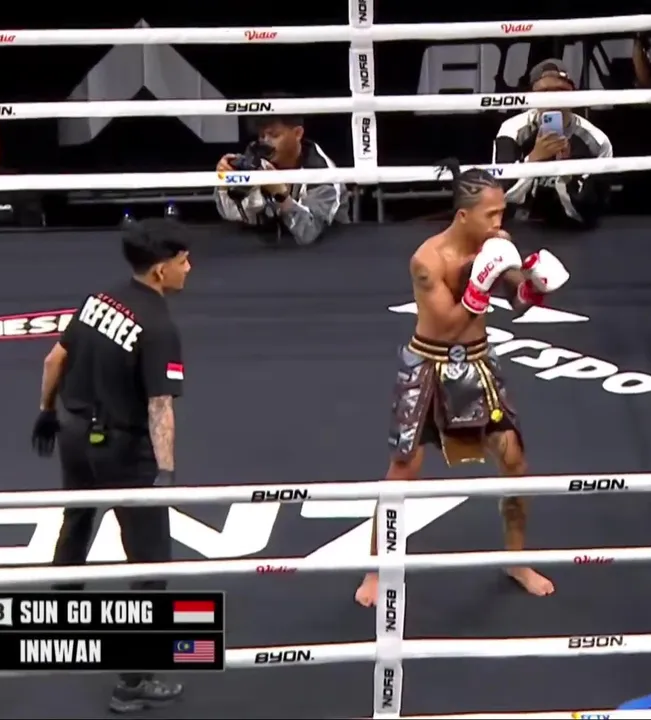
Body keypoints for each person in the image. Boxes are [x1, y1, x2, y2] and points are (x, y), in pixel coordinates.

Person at [354, 159, 570, 606]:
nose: (500, 222)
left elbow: (515, 297)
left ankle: (516, 559)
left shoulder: (497, 242)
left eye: (502, 212)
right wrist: (480, 282)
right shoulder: (427, 261)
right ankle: (376, 570)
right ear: (463, 215)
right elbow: (448, 325)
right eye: (491, 214)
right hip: (428, 364)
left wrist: (533, 284)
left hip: (477, 362)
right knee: (403, 468)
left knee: (514, 460)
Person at [30, 218, 189, 713]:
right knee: (150, 563)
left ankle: (58, 617)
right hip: (123, 449)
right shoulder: (159, 327)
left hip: (74, 434)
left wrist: (46, 412)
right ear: (160, 270)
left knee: (77, 520)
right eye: (183, 260)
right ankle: (132, 682)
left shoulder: (99, 299)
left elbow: (53, 360)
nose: (189, 268)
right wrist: (165, 473)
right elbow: (160, 406)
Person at [491, 59, 611, 228]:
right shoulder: (512, 130)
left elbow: (592, 211)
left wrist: (566, 172)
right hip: (520, 224)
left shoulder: (596, 141)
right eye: (544, 92)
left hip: (573, 228)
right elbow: (498, 196)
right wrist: (533, 160)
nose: (553, 99)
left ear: (573, 94)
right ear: (532, 96)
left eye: (560, 91)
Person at [214, 113, 345, 245]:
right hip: (270, 246)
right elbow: (232, 213)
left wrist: (281, 195)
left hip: (327, 249)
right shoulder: (256, 154)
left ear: (297, 133)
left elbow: (309, 232)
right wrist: (225, 183)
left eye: (274, 135)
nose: (266, 142)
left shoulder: (322, 172)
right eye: (262, 136)